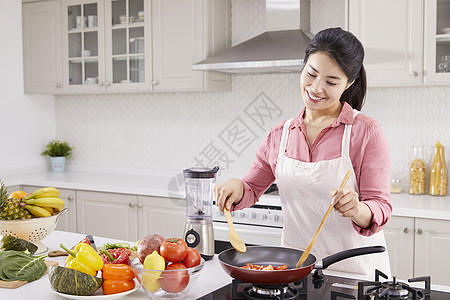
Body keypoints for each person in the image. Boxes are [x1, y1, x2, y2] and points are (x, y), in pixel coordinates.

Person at [214, 27, 392, 277]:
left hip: (354, 272)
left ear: (349, 83)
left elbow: (380, 206)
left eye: (331, 82)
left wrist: (357, 209)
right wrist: (236, 186)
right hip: (296, 271)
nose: (316, 88)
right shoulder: (280, 134)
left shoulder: (366, 132)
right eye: (311, 74)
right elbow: (252, 187)